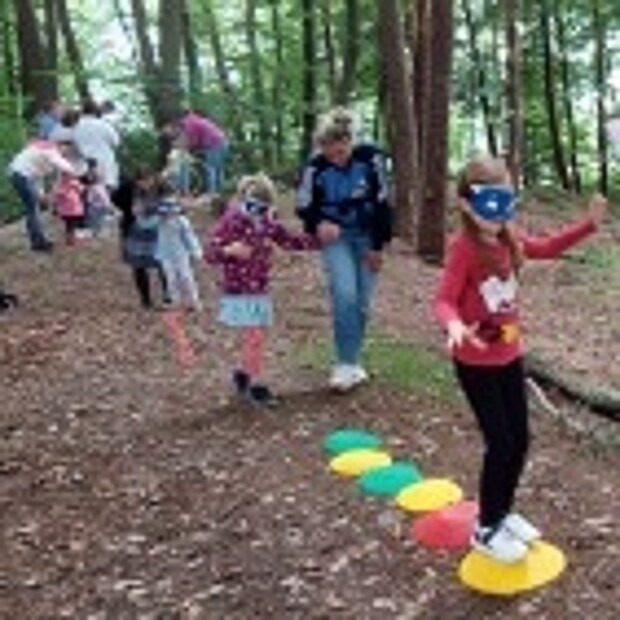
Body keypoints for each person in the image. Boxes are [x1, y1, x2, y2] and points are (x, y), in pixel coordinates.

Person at [433, 155, 607, 564]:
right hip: (475, 363)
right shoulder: (464, 249)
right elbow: (443, 299)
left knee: (521, 440)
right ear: (465, 204)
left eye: (504, 203)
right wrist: (454, 325)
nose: (497, 216)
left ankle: (501, 513)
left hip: (510, 357)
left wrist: (589, 224)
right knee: (501, 442)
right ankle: (485, 529)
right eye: (488, 205)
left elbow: (545, 246)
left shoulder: (508, 239)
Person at [296, 108, 393, 391]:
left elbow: (383, 204)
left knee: (362, 303)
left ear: (350, 142)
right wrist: (319, 223)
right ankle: (344, 363)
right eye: (329, 151)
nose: (335, 157)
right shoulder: (315, 167)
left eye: (340, 151)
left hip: (367, 236)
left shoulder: (371, 160)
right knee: (345, 294)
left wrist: (378, 247)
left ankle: (353, 360)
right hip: (336, 238)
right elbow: (303, 207)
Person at [205, 173, 318, 405]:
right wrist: (229, 251)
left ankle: (244, 375)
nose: (258, 212)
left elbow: (289, 240)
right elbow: (209, 254)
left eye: (263, 208)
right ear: (241, 200)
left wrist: (320, 240)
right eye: (252, 206)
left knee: (256, 336)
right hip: (239, 290)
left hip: (259, 289)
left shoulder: (267, 222)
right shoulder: (231, 221)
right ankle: (254, 383)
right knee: (254, 336)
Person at [111, 167, 169, 309]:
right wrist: (127, 208)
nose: (146, 184)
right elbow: (115, 198)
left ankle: (169, 294)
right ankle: (145, 299)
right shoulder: (128, 187)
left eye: (148, 180)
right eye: (142, 181)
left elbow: (171, 203)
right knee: (138, 265)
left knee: (163, 262)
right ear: (136, 181)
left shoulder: (162, 186)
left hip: (156, 230)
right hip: (134, 230)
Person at [8, 138, 79, 251]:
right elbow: (62, 164)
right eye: (67, 150)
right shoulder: (50, 148)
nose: (66, 153)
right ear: (61, 145)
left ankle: (37, 241)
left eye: (69, 152)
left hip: (20, 175)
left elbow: (38, 177)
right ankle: (38, 243)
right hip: (21, 175)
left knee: (32, 208)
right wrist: (75, 172)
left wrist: (42, 195)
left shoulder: (44, 155)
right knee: (33, 209)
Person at [154, 183, 203, 311]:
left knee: (186, 276)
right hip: (165, 253)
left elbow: (189, 237)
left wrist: (195, 251)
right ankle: (175, 301)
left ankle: (194, 301)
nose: (168, 211)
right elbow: (147, 223)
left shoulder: (181, 221)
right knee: (170, 278)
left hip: (181, 253)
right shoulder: (159, 221)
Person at [162, 109, 228, 195]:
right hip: (221, 140)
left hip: (214, 143)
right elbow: (192, 142)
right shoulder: (193, 121)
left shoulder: (189, 124)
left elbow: (193, 142)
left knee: (211, 169)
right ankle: (218, 192)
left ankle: (212, 194)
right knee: (217, 169)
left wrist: (180, 146)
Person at [72, 99, 121, 190]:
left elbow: (76, 145)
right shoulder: (104, 125)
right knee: (105, 195)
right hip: (104, 164)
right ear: (96, 111)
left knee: (88, 194)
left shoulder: (76, 127)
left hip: (84, 165)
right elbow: (116, 142)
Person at [50, 170, 85, 246]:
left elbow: (82, 190)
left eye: (68, 176)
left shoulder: (75, 183)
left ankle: (72, 238)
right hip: (65, 209)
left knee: (73, 224)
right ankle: (69, 239)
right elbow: (56, 195)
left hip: (75, 208)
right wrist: (55, 206)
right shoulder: (59, 185)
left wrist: (75, 187)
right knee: (68, 224)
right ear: (62, 177)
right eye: (64, 176)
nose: (67, 178)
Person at [83, 158, 114, 237]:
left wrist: (108, 206)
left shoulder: (97, 184)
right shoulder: (94, 184)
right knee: (95, 218)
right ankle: (96, 231)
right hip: (95, 204)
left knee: (97, 218)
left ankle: (97, 231)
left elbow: (104, 198)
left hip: (97, 205)